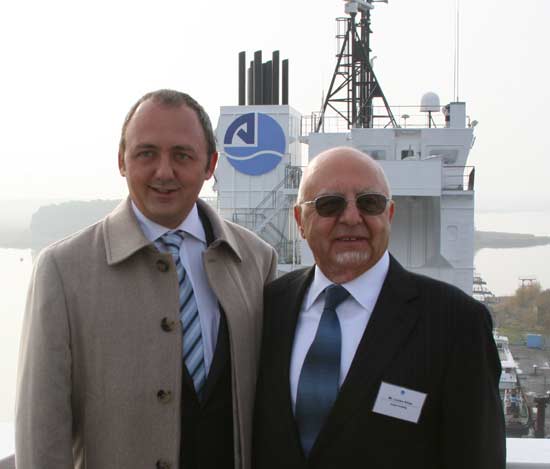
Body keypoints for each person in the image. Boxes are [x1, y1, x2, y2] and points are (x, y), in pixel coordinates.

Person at [16, 89, 277, 469]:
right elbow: (41, 431)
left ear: (210, 165)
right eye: (146, 153)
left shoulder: (256, 260)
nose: (164, 172)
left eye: (182, 155)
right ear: (122, 161)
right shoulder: (63, 270)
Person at [254, 147, 505, 469]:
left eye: (369, 203)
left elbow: (477, 456)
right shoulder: (268, 307)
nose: (351, 217)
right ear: (300, 221)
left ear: (389, 214)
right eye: (330, 204)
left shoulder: (457, 323)